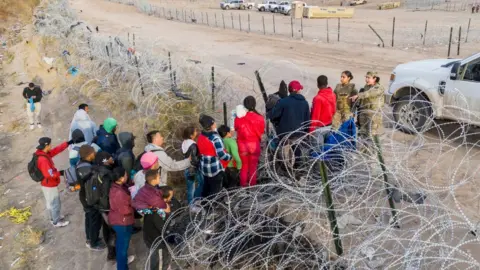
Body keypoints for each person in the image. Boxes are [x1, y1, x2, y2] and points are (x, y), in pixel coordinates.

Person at [133, 172, 172, 270]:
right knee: (158, 261)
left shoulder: (150, 192)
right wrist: (167, 213)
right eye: (159, 177)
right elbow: (163, 228)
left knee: (154, 256)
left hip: (149, 236)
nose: (160, 178)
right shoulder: (157, 211)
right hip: (157, 241)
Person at [268, 81, 310, 171]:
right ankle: (297, 169)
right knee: (297, 151)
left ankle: (285, 169)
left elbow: (273, 115)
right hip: (299, 132)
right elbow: (307, 120)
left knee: (284, 154)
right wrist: (306, 133)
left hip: (285, 133)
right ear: (297, 90)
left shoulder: (283, 102)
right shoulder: (305, 103)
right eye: (299, 89)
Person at [35, 137, 72, 227]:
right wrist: (59, 173)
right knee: (55, 203)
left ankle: (55, 217)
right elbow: (49, 174)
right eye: (50, 144)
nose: (51, 146)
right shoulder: (43, 160)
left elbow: (55, 150)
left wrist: (67, 143)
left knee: (51, 202)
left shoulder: (42, 154)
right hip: (49, 185)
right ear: (46, 145)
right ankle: (56, 221)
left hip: (46, 184)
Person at [76, 145, 106, 251]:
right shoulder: (89, 169)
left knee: (88, 219)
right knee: (95, 221)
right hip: (90, 198)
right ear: (89, 155)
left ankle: (89, 238)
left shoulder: (80, 164)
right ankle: (94, 243)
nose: (95, 154)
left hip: (84, 197)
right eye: (93, 153)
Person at [197, 115, 232, 198]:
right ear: (211, 125)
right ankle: (211, 207)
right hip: (214, 169)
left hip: (204, 167)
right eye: (214, 122)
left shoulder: (201, 136)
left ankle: (204, 205)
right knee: (215, 191)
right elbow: (221, 155)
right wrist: (229, 157)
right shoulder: (215, 138)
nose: (215, 124)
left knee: (206, 188)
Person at [92, 151, 118, 259]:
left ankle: (110, 252)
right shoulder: (107, 175)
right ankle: (114, 254)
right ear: (105, 161)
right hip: (108, 207)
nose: (112, 158)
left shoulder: (95, 171)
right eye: (110, 157)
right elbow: (109, 193)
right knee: (114, 231)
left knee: (106, 228)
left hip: (100, 206)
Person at [234, 96, 264, 187]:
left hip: (242, 145)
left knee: (244, 167)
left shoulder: (238, 118)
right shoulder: (260, 118)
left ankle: (243, 187)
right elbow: (262, 131)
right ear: (254, 104)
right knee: (253, 168)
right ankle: (252, 188)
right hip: (254, 145)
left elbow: (236, 128)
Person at [109, 167, 135, 269]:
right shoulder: (119, 193)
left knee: (120, 244)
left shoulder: (116, 187)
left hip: (117, 220)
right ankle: (122, 266)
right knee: (122, 248)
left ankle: (122, 263)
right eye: (125, 174)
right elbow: (125, 210)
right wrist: (133, 201)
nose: (126, 175)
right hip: (123, 222)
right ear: (120, 178)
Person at [350, 71, 385, 140]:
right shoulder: (366, 86)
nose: (366, 79)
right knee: (363, 134)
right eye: (366, 77)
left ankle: (376, 150)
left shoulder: (379, 88)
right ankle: (364, 150)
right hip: (365, 113)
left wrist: (358, 95)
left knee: (372, 135)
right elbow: (363, 101)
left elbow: (369, 93)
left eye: (368, 78)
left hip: (374, 115)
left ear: (374, 78)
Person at [309, 75, 336, 148]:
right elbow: (334, 110)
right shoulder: (333, 95)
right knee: (327, 150)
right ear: (327, 83)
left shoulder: (318, 98)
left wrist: (311, 131)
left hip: (319, 129)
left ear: (317, 84)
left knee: (317, 152)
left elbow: (315, 116)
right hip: (329, 126)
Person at [181, 126, 203, 204]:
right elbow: (194, 159)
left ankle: (191, 204)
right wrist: (201, 158)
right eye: (195, 131)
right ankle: (197, 200)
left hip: (186, 168)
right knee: (202, 183)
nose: (196, 132)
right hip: (193, 168)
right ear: (191, 135)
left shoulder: (184, 143)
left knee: (190, 188)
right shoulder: (193, 144)